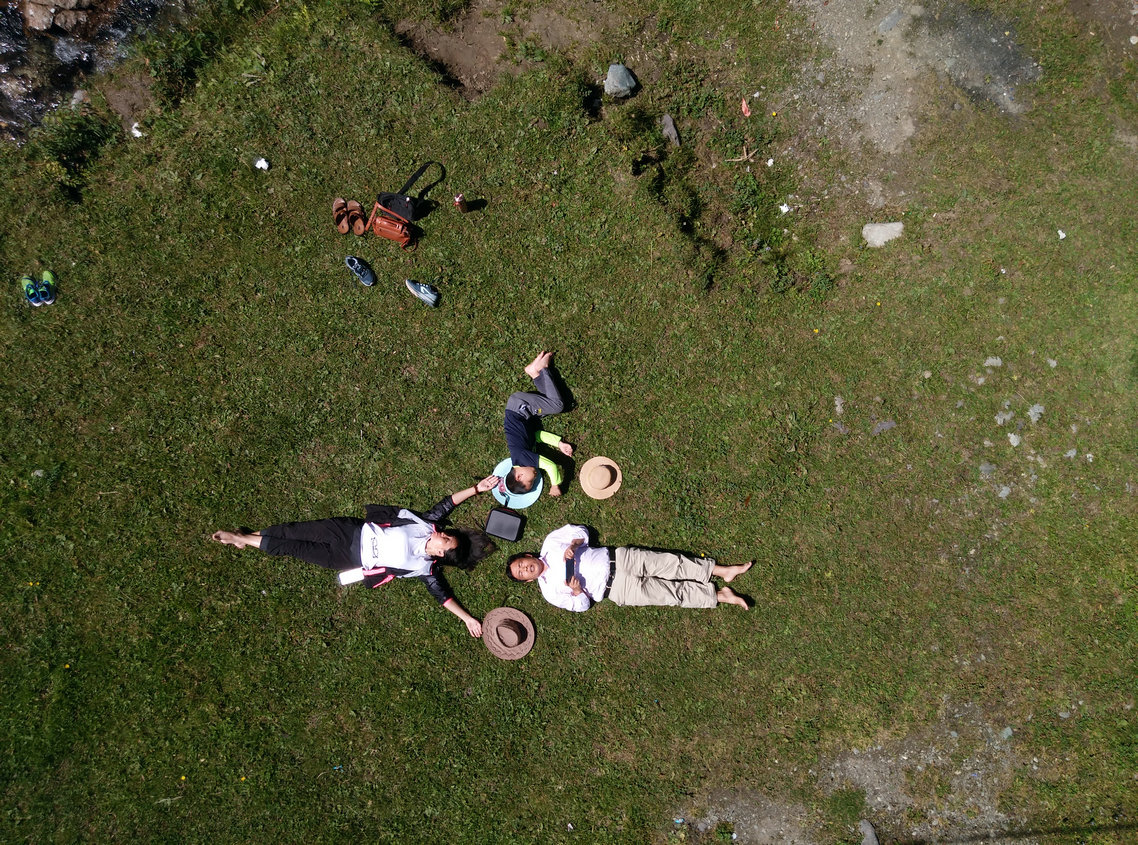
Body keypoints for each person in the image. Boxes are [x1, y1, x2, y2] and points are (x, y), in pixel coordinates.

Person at [212, 476, 500, 637]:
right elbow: (446, 505)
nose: (442, 532)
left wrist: (466, 619)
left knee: (293, 548)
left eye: (445, 538)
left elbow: (443, 596)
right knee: (293, 531)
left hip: (347, 561)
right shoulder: (424, 524)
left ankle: (244, 539)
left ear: (441, 552)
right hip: (348, 531)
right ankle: (244, 539)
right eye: (447, 533)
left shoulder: (423, 568)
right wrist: (476, 489)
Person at [506, 524, 752, 612]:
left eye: (522, 564)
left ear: (527, 555)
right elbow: (581, 607)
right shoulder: (550, 593)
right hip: (618, 590)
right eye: (522, 573)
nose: (526, 569)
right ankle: (720, 596)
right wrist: (579, 591)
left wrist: (574, 544)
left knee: (672, 564)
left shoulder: (550, 542)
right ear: (528, 581)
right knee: (670, 595)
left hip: (620, 559)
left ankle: (723, 571)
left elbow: (581, 531)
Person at [503, 351, 573, 497]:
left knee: (557, 405)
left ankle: (541, 369)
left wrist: (555, 485)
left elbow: (550, 465)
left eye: (531, 481)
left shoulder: (523, 459)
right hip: (524, 412)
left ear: (519, 476)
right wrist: (559, 444)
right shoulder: (521, 457)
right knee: (549, 402)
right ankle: (534, 372)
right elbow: (537, 435)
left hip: (520, 408)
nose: (535, 478)